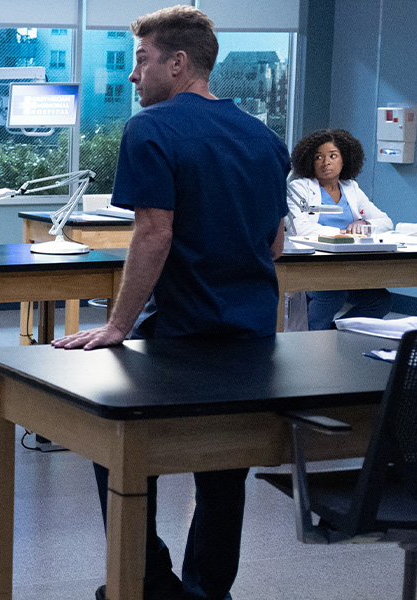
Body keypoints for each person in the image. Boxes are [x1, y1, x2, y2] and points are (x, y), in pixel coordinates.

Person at [51, 7, 289, 600]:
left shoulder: (151, 128)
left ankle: (148, 584)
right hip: (251, 338)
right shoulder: (265, 137)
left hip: (178, 337)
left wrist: (116, 325)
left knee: (119, 453)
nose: (133, 76)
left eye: (141, 59)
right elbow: (276, 243)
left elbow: (153, 232)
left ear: (177, 62)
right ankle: (209, 591)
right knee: (223, 470)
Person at [288, 128, 393, 330]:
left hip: (347, 266)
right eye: (318, 157)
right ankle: (309, 339)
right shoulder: (300, 188)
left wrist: (365, 224)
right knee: (332, 294)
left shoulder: (351, 188)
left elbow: (385, 221)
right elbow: (300, 228)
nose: (326, 162)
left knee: (380, 300)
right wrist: (342, 235)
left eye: (333, 156)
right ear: (309, 161)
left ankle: (334, 333)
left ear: (344, 159)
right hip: (313, 266)